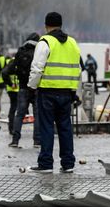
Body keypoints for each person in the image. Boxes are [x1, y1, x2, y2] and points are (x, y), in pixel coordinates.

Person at [27, 12, 80, 173]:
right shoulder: (72, 43)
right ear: (61, 24)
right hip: (66, 93)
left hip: (47, 92)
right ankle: (68, 163)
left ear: (46, 25)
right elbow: (77, 69)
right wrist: (73, 90)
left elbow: (37, 68)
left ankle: (46, 163)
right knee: (65, 127)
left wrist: (31, 87)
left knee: (47, 127)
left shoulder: (45, 42)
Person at [4, 33, 41, 148]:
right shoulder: (39, 52)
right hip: (36, 88)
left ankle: (15, 140)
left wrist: (14, 79)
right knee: (37, 115)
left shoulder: (21, 52)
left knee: (19, 115)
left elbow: (6, 71)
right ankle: (37, 141)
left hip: (23, 87)